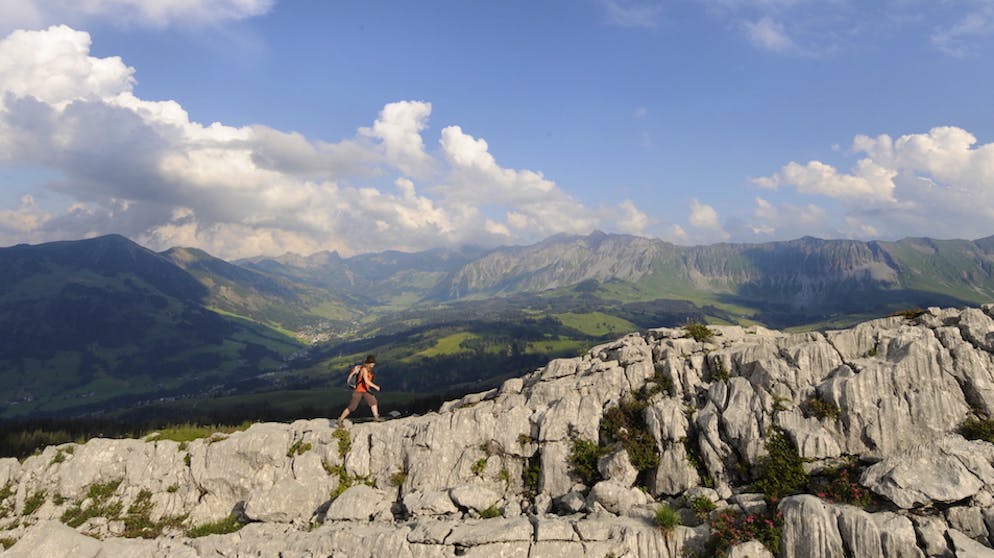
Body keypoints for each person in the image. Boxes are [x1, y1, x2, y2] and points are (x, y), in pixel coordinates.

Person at [337, 354, 381, 427]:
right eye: (372, 363)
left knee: (373, 402)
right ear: (369, 363)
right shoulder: (364, 369)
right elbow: (366, 381)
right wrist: (375, 386)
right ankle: (340, 419)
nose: (373, 364)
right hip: (358, 390)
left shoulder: (368, 370)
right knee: (352, 407)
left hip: (366, 390)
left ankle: (376, 417)